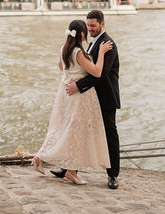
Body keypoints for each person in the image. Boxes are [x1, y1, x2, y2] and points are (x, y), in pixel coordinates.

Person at [32, 19, 113, 185]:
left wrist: (73, 72)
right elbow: (97, 72)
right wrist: (102, 52)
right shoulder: (78, 52)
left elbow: (61, 67)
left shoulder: (64, 49)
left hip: (64, 92)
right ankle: (69, 171)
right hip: (79, 97)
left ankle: (43, 157)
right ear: (82, 34)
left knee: (62, 128)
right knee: (77, 132)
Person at [52, 9, 121, 190]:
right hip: (88, 98)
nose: (90, 28)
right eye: (88, 25)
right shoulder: (90, 43)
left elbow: (100, 74)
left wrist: (78, 85)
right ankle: (69, 168)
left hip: (105, 98)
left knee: (109, 135)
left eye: (93, 25)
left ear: (102, 24)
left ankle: (113, 175)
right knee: (77, 132)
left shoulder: (109, 44)